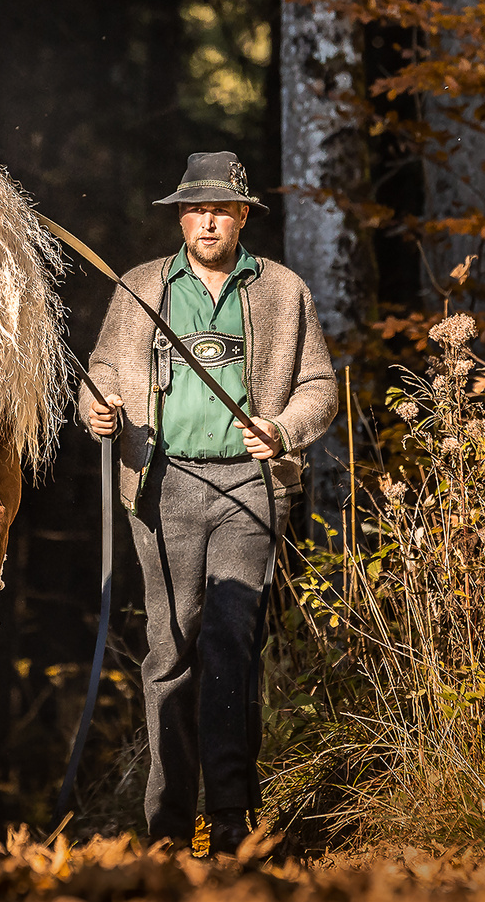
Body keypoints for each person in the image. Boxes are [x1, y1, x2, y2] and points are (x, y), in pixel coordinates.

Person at [78, 151, 338, 856]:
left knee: (231, 644)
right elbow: (102, 373)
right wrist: (97, 407)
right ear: (181, 218)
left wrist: (281, 429)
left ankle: (228, 816)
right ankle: (165, 824)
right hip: (162, 488)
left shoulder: (282, 292)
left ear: (242, 215)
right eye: (195, 209)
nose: (208, 220)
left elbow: (319, 387)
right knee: (169, 652)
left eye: (220, 208)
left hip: (251, 490)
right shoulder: (139, 288)